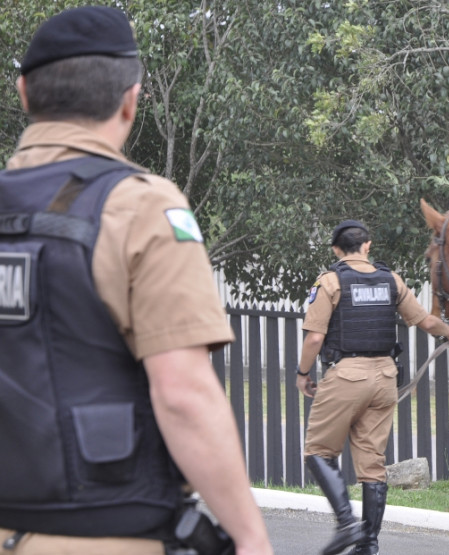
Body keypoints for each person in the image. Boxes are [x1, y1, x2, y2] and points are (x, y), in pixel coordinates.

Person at [0, 6, 272, 555]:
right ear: (131, 99)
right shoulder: (140, 206)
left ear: (24, 92)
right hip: (102, 531)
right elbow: (182, 392)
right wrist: (250, 537)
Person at [296, 219, 449, 555]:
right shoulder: (391, 280)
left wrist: (303, 374)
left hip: (347, 375)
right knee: (372, 465)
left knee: (318, 451)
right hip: (385, 378)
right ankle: (369, 544)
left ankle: (346, 524)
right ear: (368, 246)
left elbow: (315, 337)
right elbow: (424, 321)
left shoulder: (330, 281)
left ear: (335, 249)